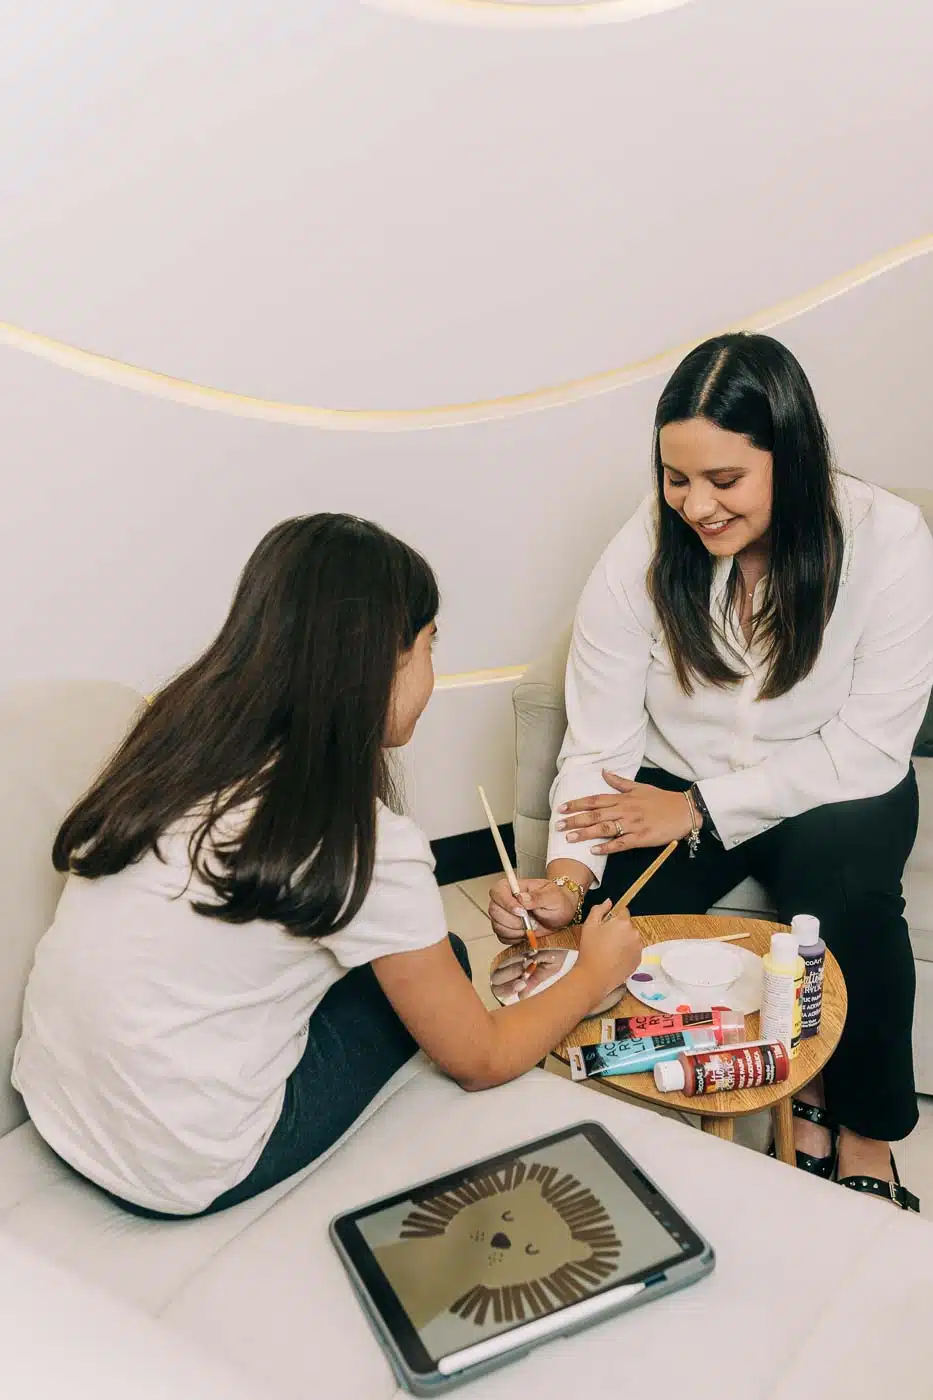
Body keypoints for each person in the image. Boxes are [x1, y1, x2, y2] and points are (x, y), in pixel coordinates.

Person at [12, 515, 641, 1218]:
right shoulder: (362, 840)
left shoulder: (173, 749)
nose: (433, 669)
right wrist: (592, 973)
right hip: (183, 1167)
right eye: (431, 645)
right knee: (453, 960)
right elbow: (482, 1059)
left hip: (59, 1109)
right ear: (382, 660)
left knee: (403, 963)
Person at [489, 332, 933, 1211]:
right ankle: (749, 1097)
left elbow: (871, 746)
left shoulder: (888, 541)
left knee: (844, 893)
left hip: (834, 782)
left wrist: (695, 810)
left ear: (792, 460)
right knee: (611, 937)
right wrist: (569, 882)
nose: (695, 506)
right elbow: (599, 742)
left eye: (723, 481)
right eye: (675, 478)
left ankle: (864, 1129)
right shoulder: (640, 554)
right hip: (671, 781)